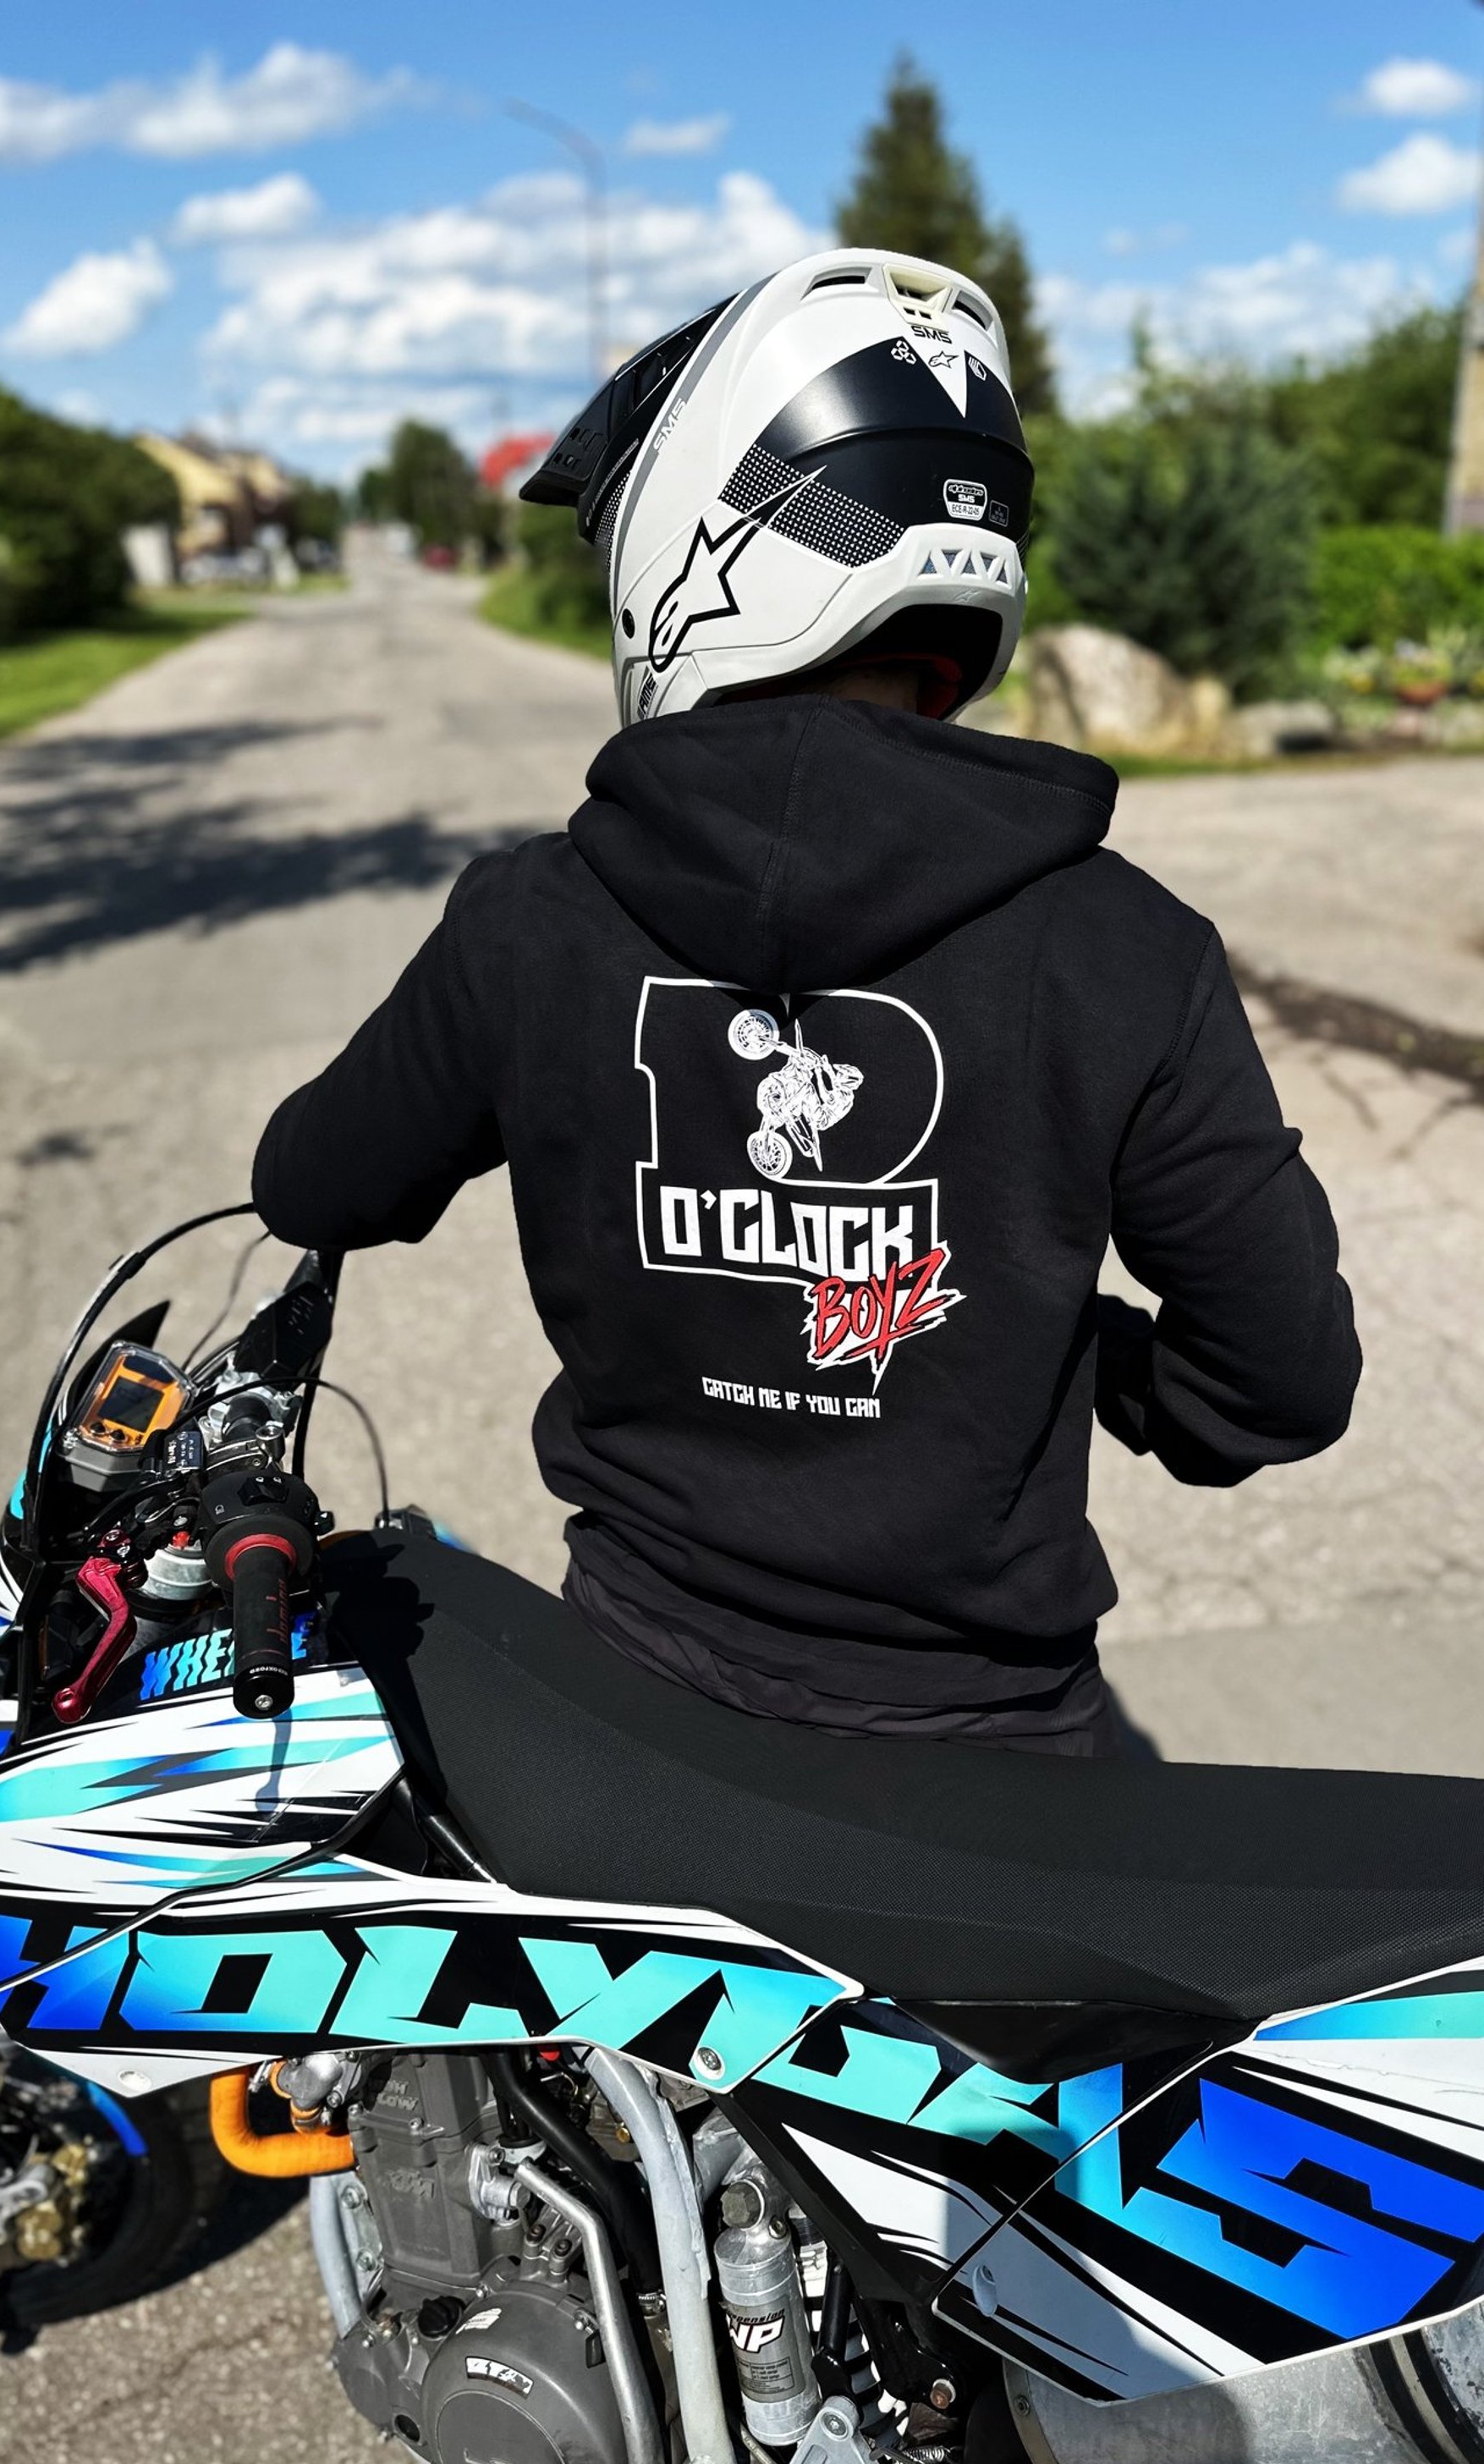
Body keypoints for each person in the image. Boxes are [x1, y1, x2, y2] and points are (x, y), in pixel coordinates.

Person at [253, 248, 1359, 1761]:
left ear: (701, 536)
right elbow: (1284, 1377)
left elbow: (313, 1181)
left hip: (638, 1709)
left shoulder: (535, 918)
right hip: (997, 1740)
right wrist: (1078, 1351)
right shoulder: (1125, 943)